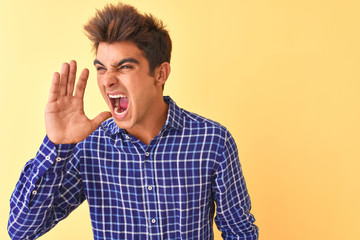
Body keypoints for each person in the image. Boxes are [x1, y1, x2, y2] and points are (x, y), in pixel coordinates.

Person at [8, 2, 258, 240]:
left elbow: (240, 231)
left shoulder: (212, 140)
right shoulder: (89, 146)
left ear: (160, 74)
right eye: (101, 68)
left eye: (124, 67)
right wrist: (56, 145)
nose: (107, 81)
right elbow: (21, 230)